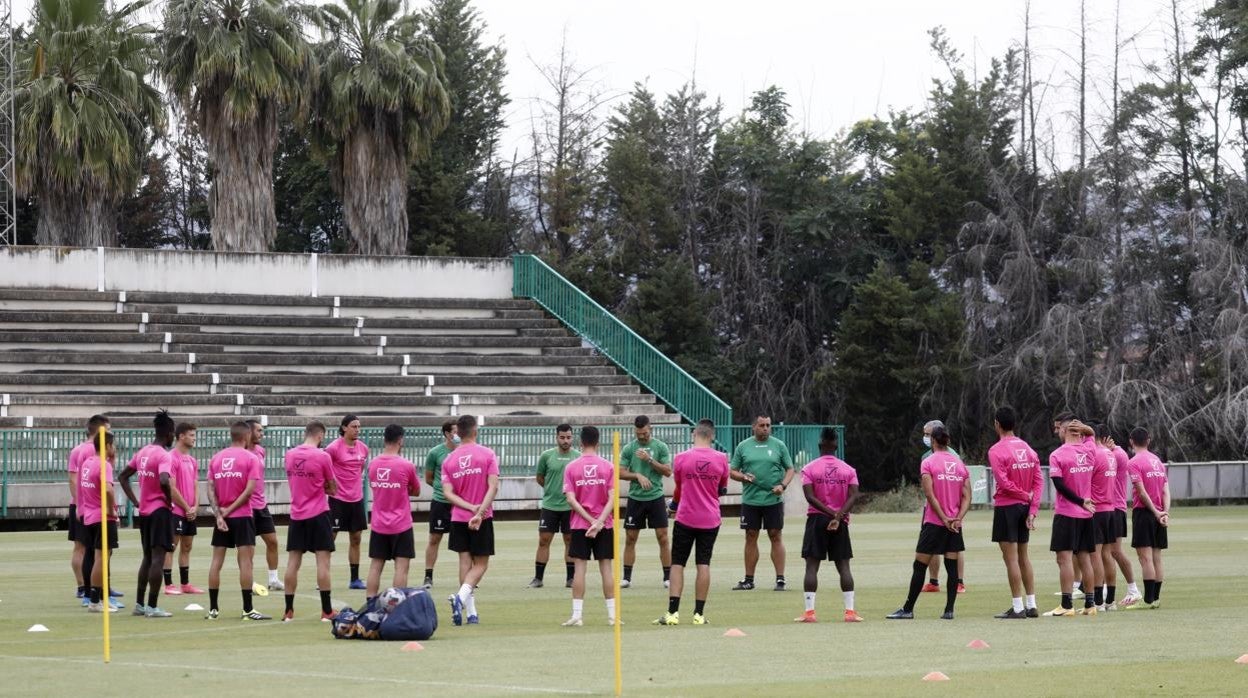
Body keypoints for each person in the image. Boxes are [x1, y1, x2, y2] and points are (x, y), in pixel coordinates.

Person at [887, 426, 970, 620]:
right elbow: (967, 496)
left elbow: (929, 494)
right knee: (951, 568)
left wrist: (943, 517)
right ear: (947, 441)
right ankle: (949, 610)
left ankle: (908, 609)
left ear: (933, 441)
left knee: (919, 566)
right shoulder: (959, 464)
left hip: (934, 523)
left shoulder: (928, 462)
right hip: (954, 525)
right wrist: (958, 518)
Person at [654, 419, 728, 626]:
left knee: (677, 563)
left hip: (686, 517)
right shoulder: (721, 458)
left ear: (694, 434)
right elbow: (721, 489)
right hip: (710, 518)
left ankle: (672, 613)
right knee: (703, 564)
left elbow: (679, 488)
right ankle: (698, 614)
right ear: (712, 435)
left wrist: (674, 506)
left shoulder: (681, 458)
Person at [119, 410, 186, 618]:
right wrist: (167, 499)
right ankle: (152, 606)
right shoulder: (163, 455)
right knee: (158, 557)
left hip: (145, 512)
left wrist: (136, 501)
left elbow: (123, 476)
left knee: (147, 557)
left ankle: (140, 604)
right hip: (159, 512)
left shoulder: (143, 452)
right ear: (168, 434)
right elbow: (165, 480)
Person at [795, 427, 862, 624]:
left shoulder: (809, 468)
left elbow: (810, 497)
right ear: (836, 445)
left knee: (811, 566)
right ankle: (850, 612)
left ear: (820, 445)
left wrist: (830, 513)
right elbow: (854, 496)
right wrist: (838, 516)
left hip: (817, 519)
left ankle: (810, 613)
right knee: (843, 566)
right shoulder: (848, 470)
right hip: (840, 521)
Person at [205, 421, 267, 621]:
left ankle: (213, 610)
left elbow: (210, 488)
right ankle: (247, 609)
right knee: (246, 562)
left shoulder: (216, 458)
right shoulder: (251, 458)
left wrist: (219, 515)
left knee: (216, 562)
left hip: (222, 519)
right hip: (242, 516)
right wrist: (229, 510)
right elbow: (249, 491)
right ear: (246, 436)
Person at [442, 415, 500, 626]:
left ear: (457, 433)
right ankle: (460, 598)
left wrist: (468, 507)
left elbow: (448, 493)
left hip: (459, 517)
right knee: (481, 564)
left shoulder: (449, 459)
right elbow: (493, 486)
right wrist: (479, 512)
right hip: (481, 518)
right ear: (475, 431)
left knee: (464, 561)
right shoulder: (487, 454)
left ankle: (470, 613)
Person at [987, 406, 1043, 619]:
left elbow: (1003, 482)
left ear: (997, 424)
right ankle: (1032, 604)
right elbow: (1038, 481)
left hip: (1008, 506)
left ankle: (1018, 607)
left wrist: (1023, 495)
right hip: (1024, 509)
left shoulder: (996, 450)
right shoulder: (1028, 449)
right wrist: (1033, 508)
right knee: (1023, 557)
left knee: (1010, 559)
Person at [729, 415, 795, 591]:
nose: (765, 428)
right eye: (762, 425)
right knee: (751, 535)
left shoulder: (779, 445)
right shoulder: (743, 446)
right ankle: (748, 580)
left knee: (775, 535)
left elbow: (790, 469)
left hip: (773, 499)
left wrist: (783, 485)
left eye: (768, 425)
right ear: (754, 427)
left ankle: (780, 579)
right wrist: (743, 476)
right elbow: (732, 471)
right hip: (751, 500)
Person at [560, 426, 617, 626]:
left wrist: (590, 520)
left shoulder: (571, 467)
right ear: (598, 442)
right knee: (606, 569)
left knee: (579, 570)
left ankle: (577, 615)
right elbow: (612, 499)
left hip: (579, 524)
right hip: (605, 525)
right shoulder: (608, 466)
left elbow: (571, 499)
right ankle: (612, 616)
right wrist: (599, 521)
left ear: (580, 443)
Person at [282, 421, 339, 622]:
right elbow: (333, 488)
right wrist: (318, 485)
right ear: (320, 435)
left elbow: (293, 480)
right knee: (323, 563)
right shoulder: (323, 456)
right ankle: (326, 611)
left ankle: (288, 610)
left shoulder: (289, 455)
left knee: (292, 563)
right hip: (318, 513)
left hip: (296, 514)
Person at [1042, 420, 1099, 617]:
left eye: (1059, 429)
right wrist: (1084, 428)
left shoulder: (1058, 454)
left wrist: (1080, 501)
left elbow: (1059, 485)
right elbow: (1092, 434)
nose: (1057, 431)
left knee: (1064, 559)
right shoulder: (1089, 450)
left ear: (1065, 431)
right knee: (1085, 558)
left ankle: (1066, 605)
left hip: (1068, 512)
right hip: (1086, 514)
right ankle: (1090, 604)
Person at [365, 424, 421, 601]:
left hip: (379, 523)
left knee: (376, 565)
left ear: (384, 439)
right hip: (401, 524)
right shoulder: (406, 465)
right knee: (401, 566)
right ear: (401, 440)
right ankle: (397, 605)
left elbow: (374, 486)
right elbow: (416, 491)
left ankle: (370, 602)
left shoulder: (373, 464)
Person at [619, 415, 673, 589]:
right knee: (630, 538)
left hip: (656, 497)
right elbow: (620, 472)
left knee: (663, 537)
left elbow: (667, 471)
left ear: (651, 429)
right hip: (636, 498)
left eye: (644, 433)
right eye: (638, 433)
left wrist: (649, 460)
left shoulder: (660, 447)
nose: (641, 436)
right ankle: (626, 578)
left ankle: (667, 577)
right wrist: (637, 475)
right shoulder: (629, 448)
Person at [531, 424, 579, 589]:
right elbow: (540, 477)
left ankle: (571, 579)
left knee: (570, 541)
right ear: (556, 437)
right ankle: (538, 578)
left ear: (572, 438)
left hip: (570, 507)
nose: (566, 441)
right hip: (550, 506)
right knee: (544, 541)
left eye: (568, 437)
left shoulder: (578, 457)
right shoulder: (546, 456)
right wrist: (552, 490)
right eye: (562, 437)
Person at [68, 414, 110, 606]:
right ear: (100, 429)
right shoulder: (83, 451)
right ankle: (84, 588)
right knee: (85, 548)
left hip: (88, 507)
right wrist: (79, 504)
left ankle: (98, 588)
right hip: (87, 507)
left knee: (97, 550)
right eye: (108, 428)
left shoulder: (86, 451)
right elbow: (74, 479)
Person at [920, 419, 966, 594]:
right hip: (932, 508)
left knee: (954, 546)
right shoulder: (926, 456)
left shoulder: (952, 455)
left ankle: (959, 582)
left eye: (927, 434)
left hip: (950, 508)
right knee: (932, 545)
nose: (925, 437)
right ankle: (933, 581)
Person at [1126, 427, 1170, 609]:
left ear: (1131, 441)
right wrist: (1164, 512)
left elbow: (1142, 493)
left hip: (1145, 513)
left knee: (1145, 558)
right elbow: (1166, 490)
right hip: (1160, 511)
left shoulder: (1134, 462)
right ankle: (1156, 598)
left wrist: (1154, 512)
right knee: (1156, 556)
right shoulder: (1157, 461)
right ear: (1149, 440)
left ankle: (1148, 600)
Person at [1098, 425, 1141, 608]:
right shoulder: (1110, 452)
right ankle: (1107, 590)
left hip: (1114, 507)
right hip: (1112, 507)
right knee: (1105, 552)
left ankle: (1132, 589)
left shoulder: (1115, 454)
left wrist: (1104, 452)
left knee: (1113, 551)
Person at [325, 414, 370, 590]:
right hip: (337, 499)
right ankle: (323, 576)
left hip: (356, 499)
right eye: (354, 426)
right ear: (344, 428)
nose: (357, 430)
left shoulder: (364, 448)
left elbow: (359, 471)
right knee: (330, 537)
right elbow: (325, 470)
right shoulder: (333, 448)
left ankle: (354, 579)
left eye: (359, 427)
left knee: (356, 538)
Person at [79, 431, 120, 613]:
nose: (115, 448)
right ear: (107, 446)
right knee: (101, 559)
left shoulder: (88, 463)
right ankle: (95, 601)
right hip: (102, 517)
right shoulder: (104, 465)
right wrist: (111, 510)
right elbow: (109, 490)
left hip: (90, 515)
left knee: (98, 557)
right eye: (113, 445)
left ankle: (99, 598)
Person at [163, 422, 204, 596]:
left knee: (187, 547)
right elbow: (171, 488)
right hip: (176, 511)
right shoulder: (171, 457)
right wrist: (187, 507)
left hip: (189, 511)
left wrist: (195, 506)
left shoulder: (192, 460)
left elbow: (195, 485)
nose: (194, 438)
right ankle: (169, 584)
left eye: (195, 435)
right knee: (171, 547)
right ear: (181, 436)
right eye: (191, 435)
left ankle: (185, 584)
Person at [246, 420, 283, 592]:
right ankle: (249, 581)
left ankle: (273, 579)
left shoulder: (260, 450)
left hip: (261, 504)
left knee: (273, 542)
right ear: (249, 432)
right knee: (249, 548)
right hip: (246, 506)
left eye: (262, 430)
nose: (262, 434)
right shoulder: (241, 452)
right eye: (259, 431)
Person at [422, 420, 458, 589]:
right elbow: (429, 477)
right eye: (455, 432)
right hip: (441, 502)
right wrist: (443, 490)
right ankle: (428, 576)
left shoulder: (465, 452)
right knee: (435, 538)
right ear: (447, 434)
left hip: (461, 503)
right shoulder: (435, 453)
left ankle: (467, 576)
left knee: (464, 540)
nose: (458, 435)